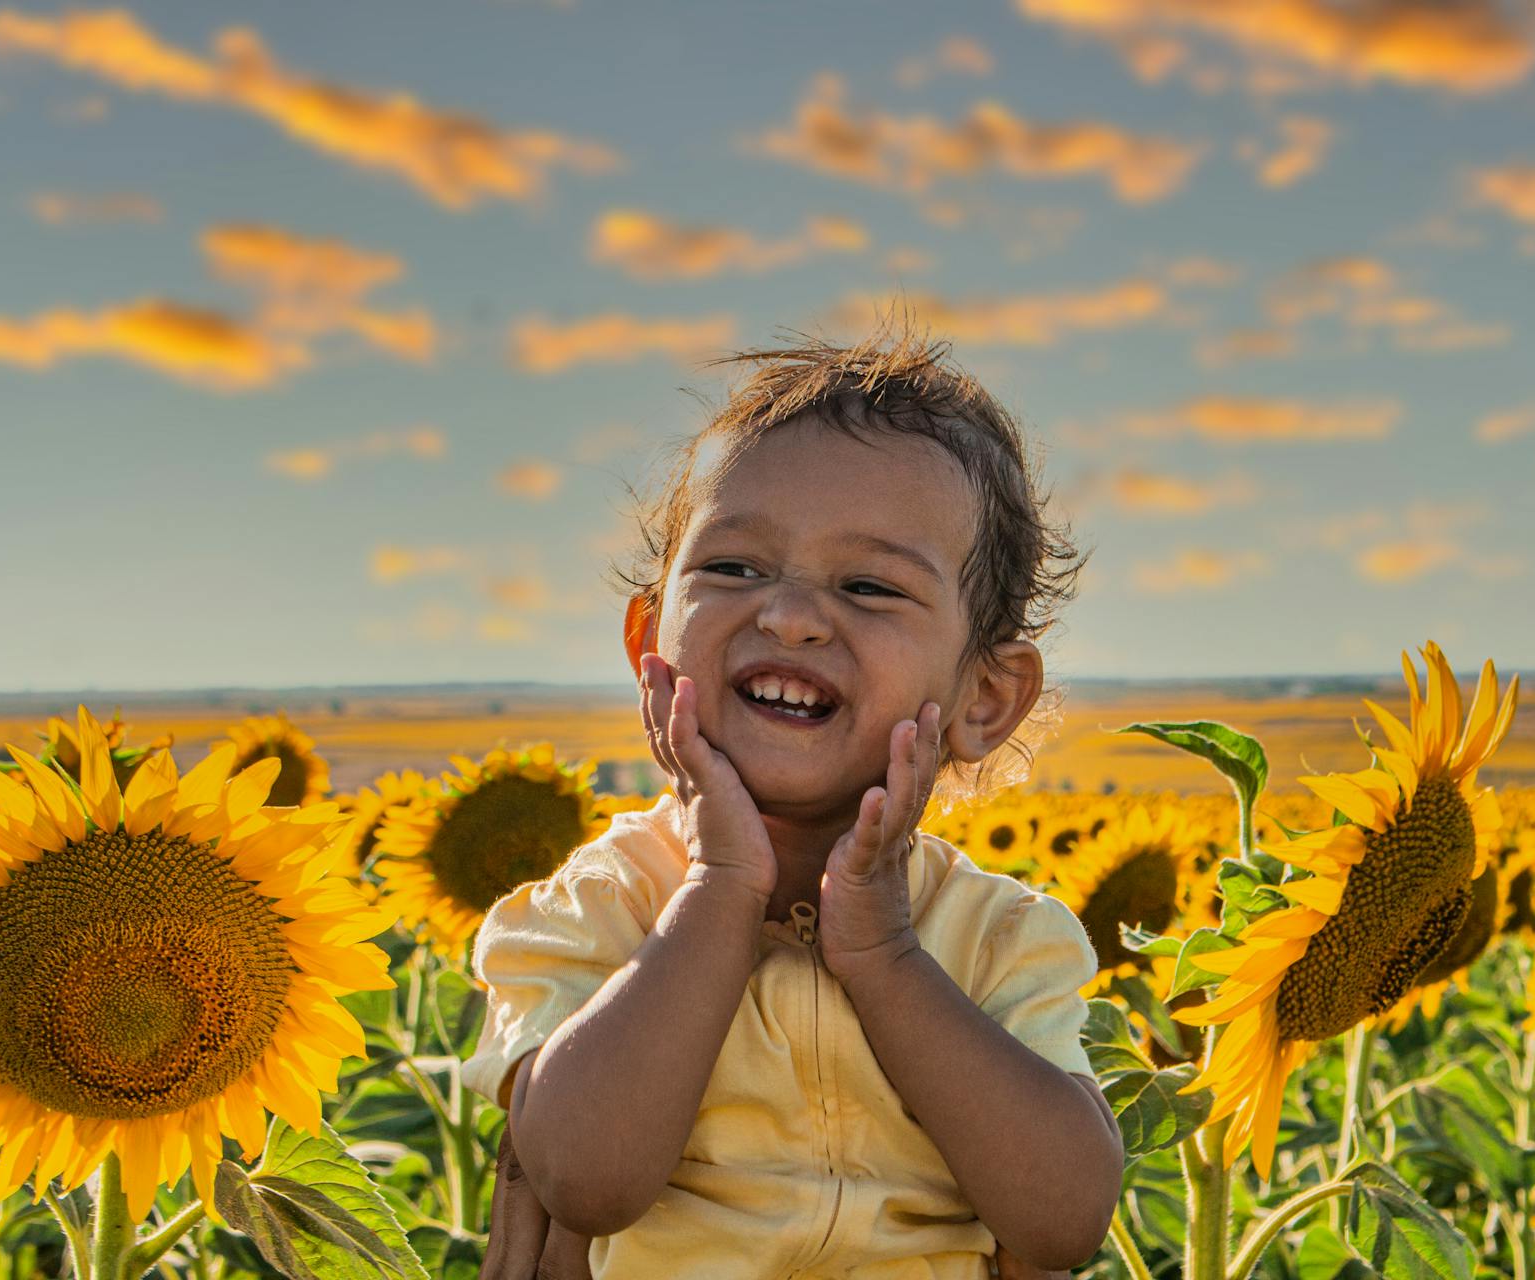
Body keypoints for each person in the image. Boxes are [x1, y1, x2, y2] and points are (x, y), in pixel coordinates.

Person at [465, 316, 1125, 1278]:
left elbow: (1066, 1220)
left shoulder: (996, 937)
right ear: (649, 643)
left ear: (985, 698)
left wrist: (886, 955)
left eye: (869, 586)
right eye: (733, 567)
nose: (788, 616)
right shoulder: (601, 906)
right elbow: (585, 1179)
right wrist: (719, 888)